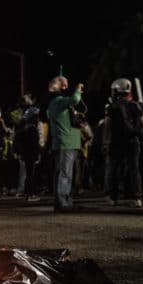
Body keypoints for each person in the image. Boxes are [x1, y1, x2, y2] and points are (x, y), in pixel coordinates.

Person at [103, 78, 143, 208]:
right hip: (133, 141)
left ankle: (112, 196)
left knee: (113, 169)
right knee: (134, 169)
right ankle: (136, 197)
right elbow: (142, 123)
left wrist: (105, 143)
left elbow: (107, 126)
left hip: (117, 141)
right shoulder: (136, 105)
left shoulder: (112, 107)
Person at [46, 76, 85, 212]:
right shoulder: (58, 101)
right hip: (65, 143)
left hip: (68, 142)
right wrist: (78, 89)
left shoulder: (59, 103)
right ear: (58, 86)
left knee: (65, 173)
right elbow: (75, 99)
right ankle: (62, 203)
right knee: (64, 174)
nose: (66, 87)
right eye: (64, 85)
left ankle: (66, 201)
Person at [14, 107, 42, 202]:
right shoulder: (32, 128)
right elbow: (35, 143)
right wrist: (38, 153)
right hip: (31, 154)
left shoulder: (23, 129)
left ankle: (27, 193)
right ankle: (31, 194)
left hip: (25, 154)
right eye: (36, 116)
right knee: (31, 174)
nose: (38, 119)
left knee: (28, 174)